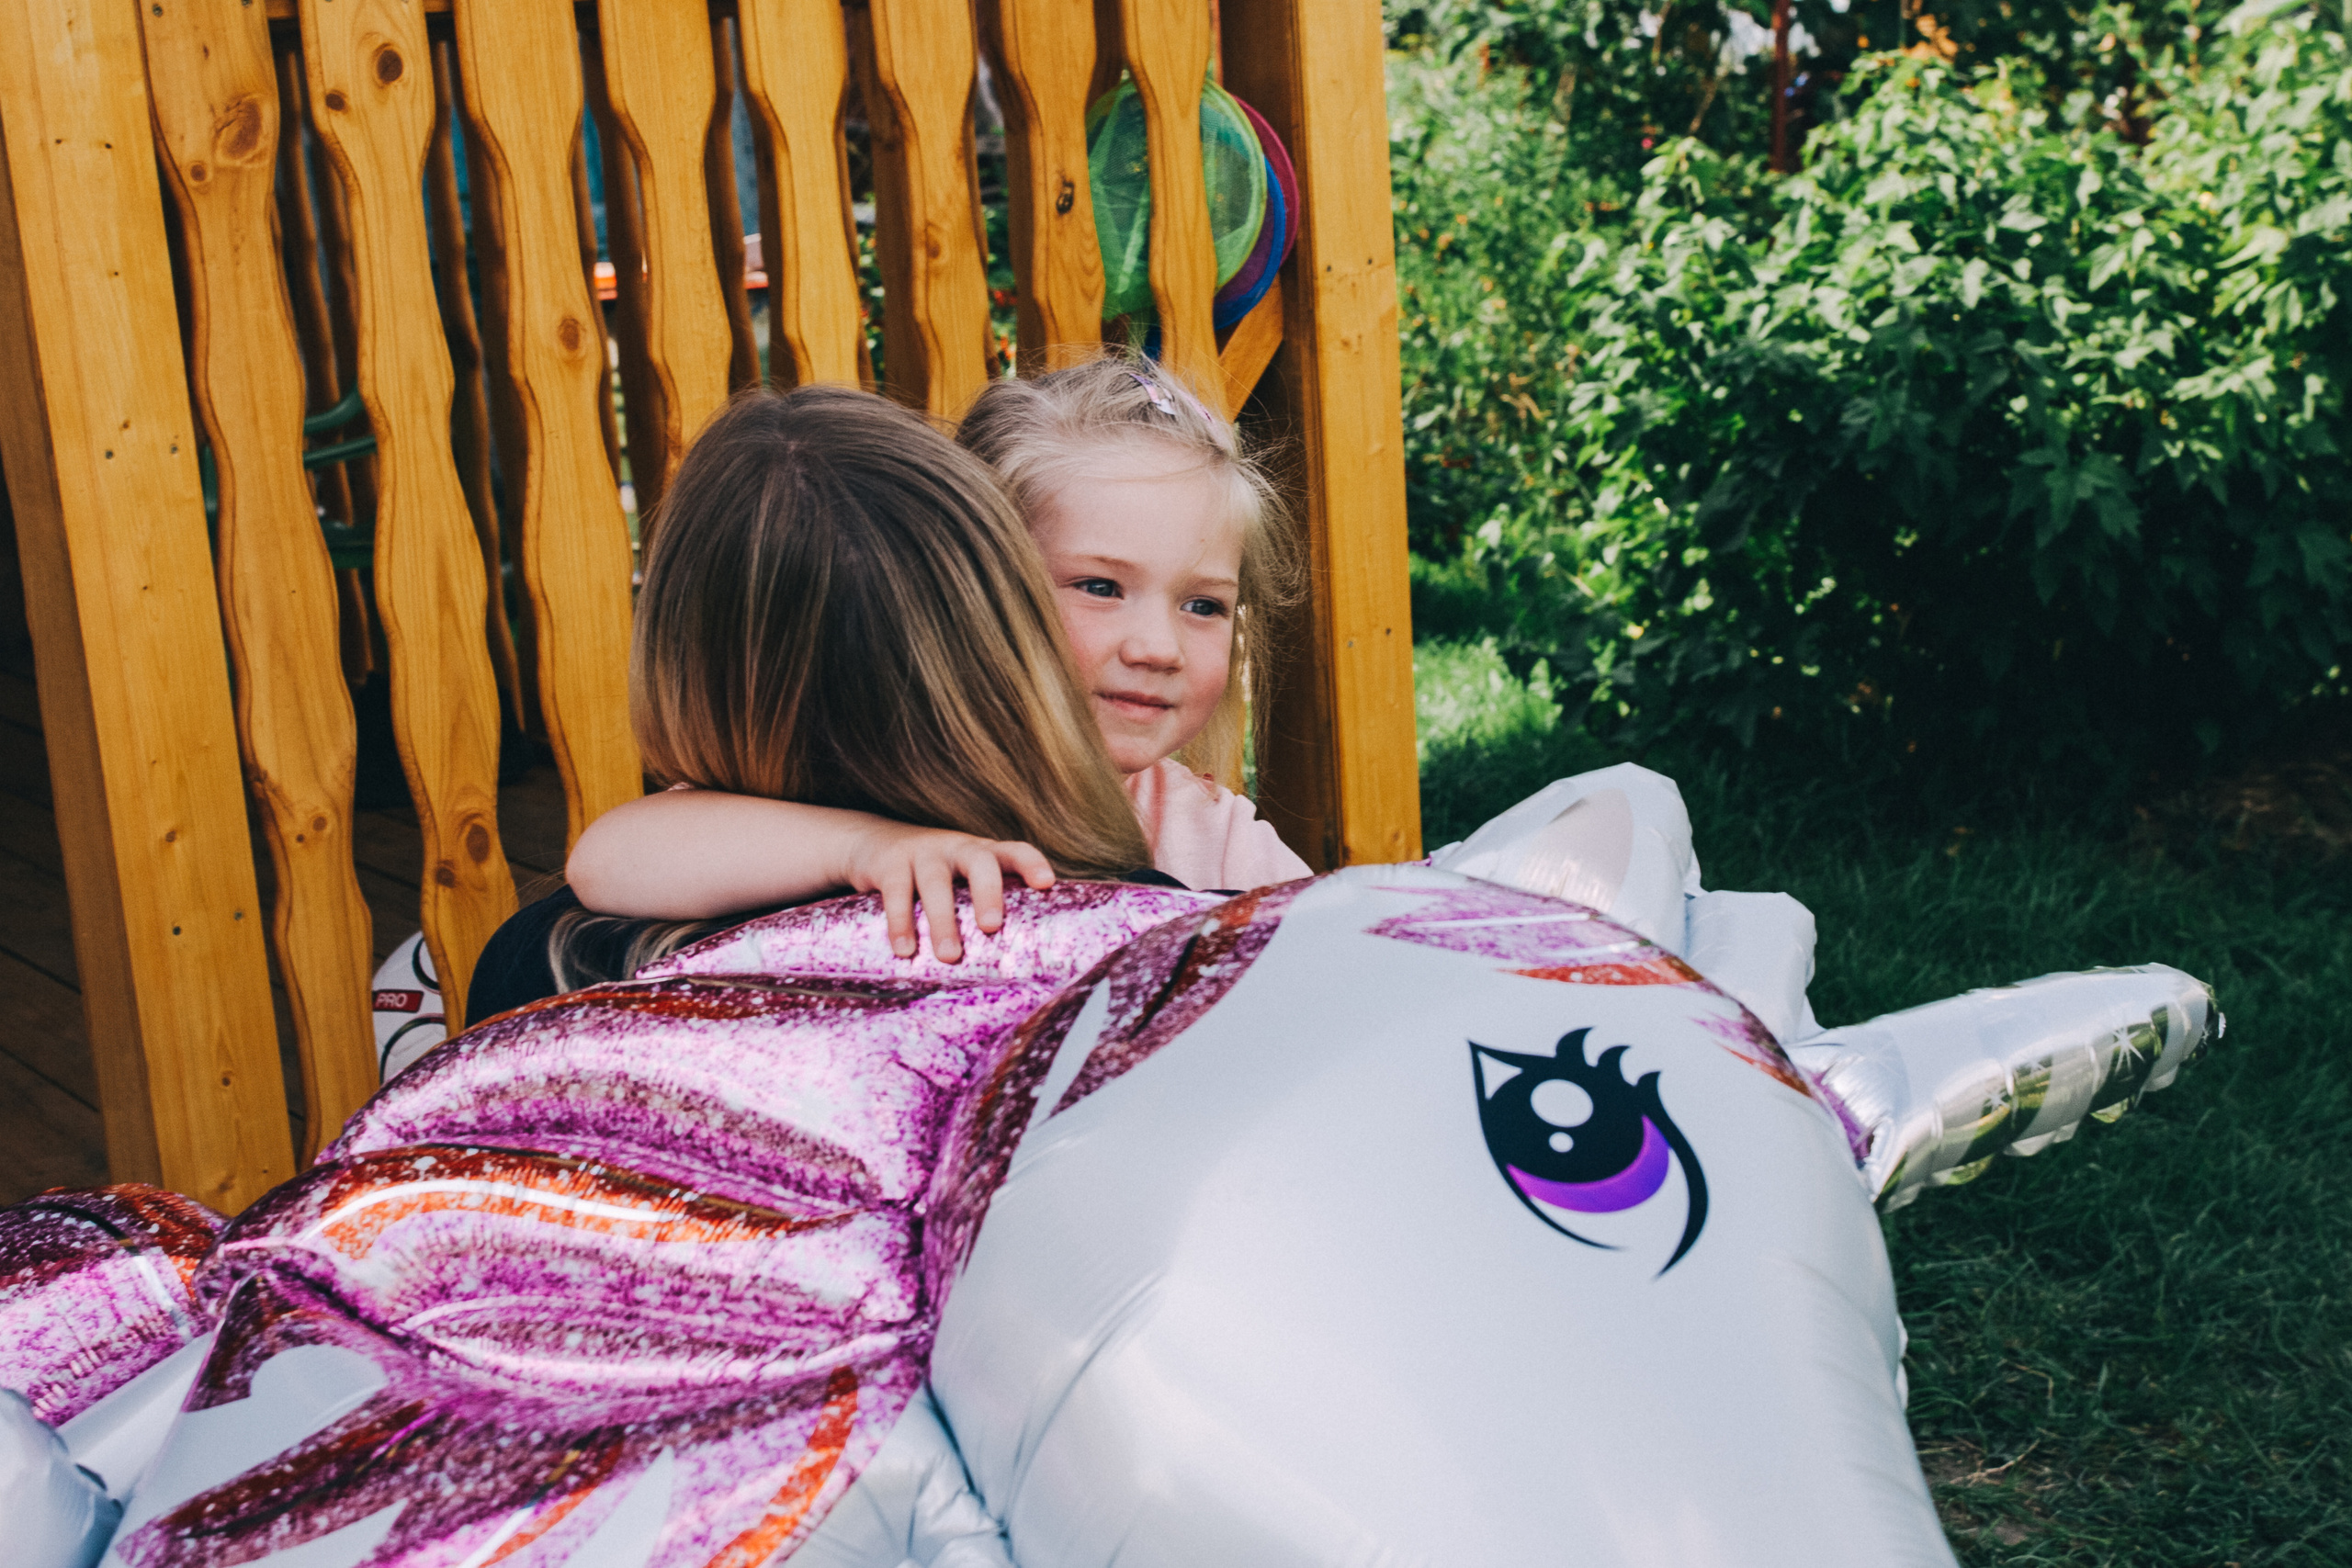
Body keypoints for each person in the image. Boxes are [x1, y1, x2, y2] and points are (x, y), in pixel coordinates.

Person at [562, 354, 1310, 964]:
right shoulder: (894, 778)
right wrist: (868, 845)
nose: (1158, 648)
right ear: (976, 585)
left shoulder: (1213, 836)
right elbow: (608, 859)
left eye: (1204, 605)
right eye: (1099, 587)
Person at [464, 383, 1153, 1021]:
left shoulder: (545, 967)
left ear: (681, 665)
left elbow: (599, 861)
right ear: (1014, 644)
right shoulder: (1129, 932)